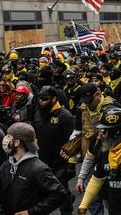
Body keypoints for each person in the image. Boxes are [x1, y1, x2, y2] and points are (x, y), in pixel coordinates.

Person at [0, 122, 67, 215]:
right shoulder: (6, 165)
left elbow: (59, 194)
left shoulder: (39, 169)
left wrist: (31, 212)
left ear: (17, 142)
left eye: (8, 136)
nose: (5, 139)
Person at [32, 85, 75, 215]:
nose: (41, 102)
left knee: (59, 190)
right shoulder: (39, 113)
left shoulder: (65, 116)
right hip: (42, 160)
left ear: (54, 98)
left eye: (45, 99)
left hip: (60, 161)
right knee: (45, 191)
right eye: (40, 99)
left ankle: (66, 211)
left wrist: (71, 164)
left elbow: (72, 141)